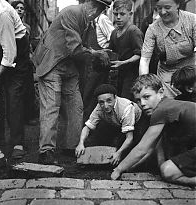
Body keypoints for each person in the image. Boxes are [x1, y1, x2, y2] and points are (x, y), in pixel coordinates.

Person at [32, 0, 112, 165]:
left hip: (69, 67)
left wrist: (97, 53)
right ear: (89, 3)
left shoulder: (87, 23)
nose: (96, 12)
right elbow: (75, 48)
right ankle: (46, 151)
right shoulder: (72, 13)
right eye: (95, 7)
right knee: (51, 106)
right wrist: (96, 54)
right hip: (52, 63)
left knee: (77, 106)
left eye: (100, 9)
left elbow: (84, 48)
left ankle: (71, 147)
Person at [111, 74, 196, 186]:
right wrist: (130, 167)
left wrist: (118, 169)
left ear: (160, 92)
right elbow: (154, 146)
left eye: (146, 97)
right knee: (166, 167)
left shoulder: (162, 110)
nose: (142, 104)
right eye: (138, 100)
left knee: (168, 172)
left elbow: (143, 148)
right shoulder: (168, 105)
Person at [139, 0, 196, 98]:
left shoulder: (192, 20)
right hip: (167, 78)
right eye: (159, 8)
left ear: (177, 5)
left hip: (191, 74)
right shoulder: (153, 29)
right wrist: (144, 84)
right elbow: (145, 60)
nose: (163, 12)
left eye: (167, 7)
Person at [75, 84, 142, 166]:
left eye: (109, 101)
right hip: (116, 123)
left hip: (138, 123)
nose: (105, 106)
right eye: (101, 102)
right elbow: (87, 127)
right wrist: (80, 143)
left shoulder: (126, 108)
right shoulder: (99, 107)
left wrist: (119, 153)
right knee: (96, 138)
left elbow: (129, 138)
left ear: (115, 97)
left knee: (125, 151)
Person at [0, 0, 29, 159]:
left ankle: (17, 143)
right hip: (0, 48)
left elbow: (10, 55)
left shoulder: (3, 13)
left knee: (13, 96)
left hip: (17, 52)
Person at [109, 0, 143, 100]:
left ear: (130, 14)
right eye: (116, 14)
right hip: (119, 75)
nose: (118, 17)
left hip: (132, 75)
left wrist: (124, 62)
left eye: (122, 14)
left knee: (126, 101)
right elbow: (112, 51)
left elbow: (140, 54)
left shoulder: (133, 31)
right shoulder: (114, 32)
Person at [11, 0, 37, 126]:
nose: (20, 10)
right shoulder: (10, 24)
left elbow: (30, 44)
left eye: (22, 8)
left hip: (26, 61)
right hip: (14, 60)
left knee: (29, 90)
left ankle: (28, 117)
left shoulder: (27, 27)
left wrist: (32, 56)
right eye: (17, 8)